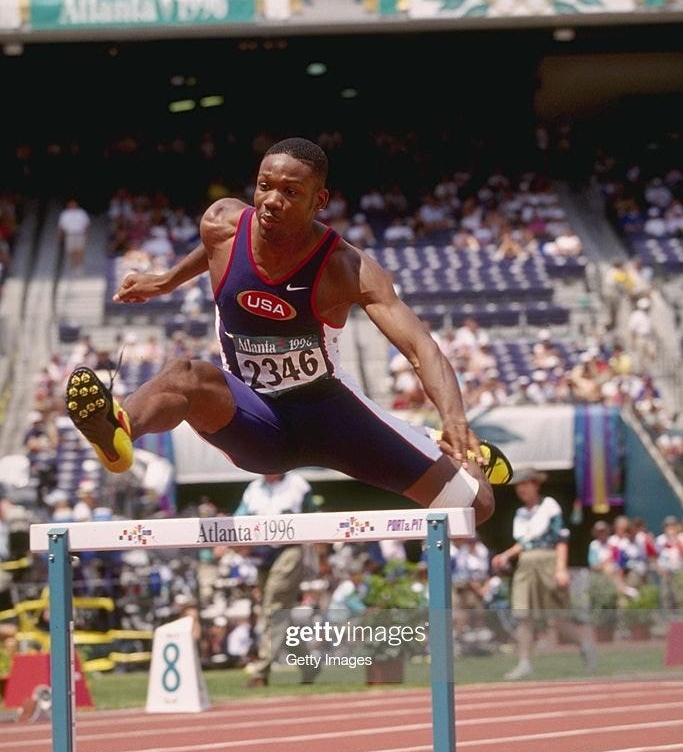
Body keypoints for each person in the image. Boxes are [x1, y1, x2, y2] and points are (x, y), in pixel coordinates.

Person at [65, 137, 511, 538]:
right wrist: (165, 281)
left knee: (476, 507)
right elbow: (217, 250)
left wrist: (456, 419)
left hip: (332, 416)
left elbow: (420, 348)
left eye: (290, 192)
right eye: (264, 186)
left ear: (319, 201)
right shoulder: (221, 223)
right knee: (184, 374)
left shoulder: (346, 268)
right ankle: (117, 434)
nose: (271, 201)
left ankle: (453, 447)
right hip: (256, 417)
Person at [491, 467, 596, 680]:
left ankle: (586, 646)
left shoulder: (549, 506)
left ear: (535, 484)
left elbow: (560, 539)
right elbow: (524, 542)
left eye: (525, 484)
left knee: (557, 619)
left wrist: (560, 568)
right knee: (523, 615)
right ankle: (524, 662)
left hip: (548, 561)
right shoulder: (521, 514)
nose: (521, 489)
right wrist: (505, 555)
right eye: (518, 486)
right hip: (526, 564)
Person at [234, 470, 315, 686]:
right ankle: (309, 665)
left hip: (289, 550)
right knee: (278, 615)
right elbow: (238, 519)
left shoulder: (299, 484)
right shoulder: (253, 489)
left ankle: (261, 671)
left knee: (273, 610)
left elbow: (315, 517)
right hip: (261, 555)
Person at [57, 197, 91, 274]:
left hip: (79, 234)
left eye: (74, 203)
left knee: (79, 251)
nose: (72, 205)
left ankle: (79, 267)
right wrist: (60, 236)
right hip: (70, 235)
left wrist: (87, 235)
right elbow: (61, 226)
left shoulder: (81, 213)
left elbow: (86, 224)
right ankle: (72, 266)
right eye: (70, 204)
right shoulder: (65, 213)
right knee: (71, 252)